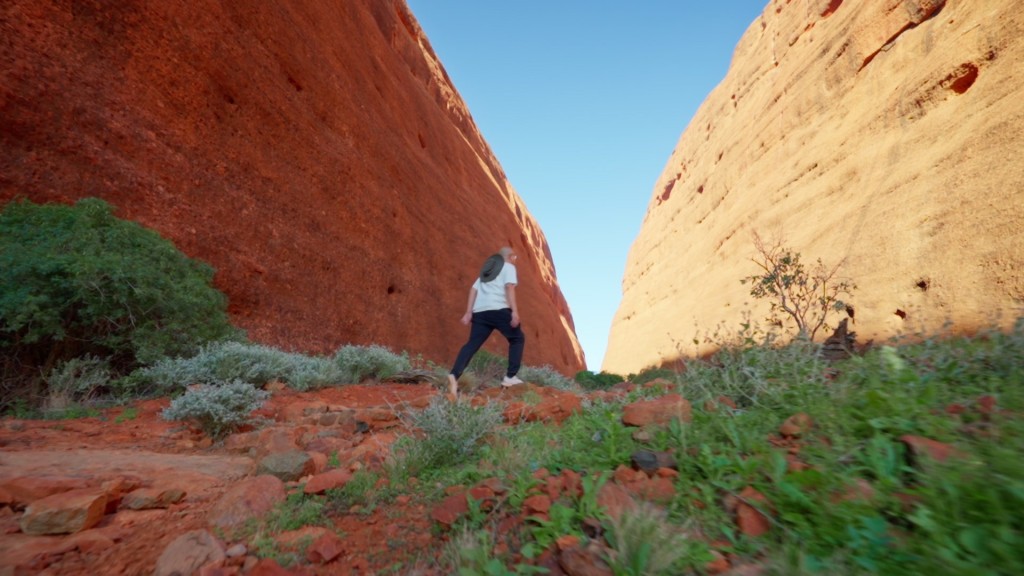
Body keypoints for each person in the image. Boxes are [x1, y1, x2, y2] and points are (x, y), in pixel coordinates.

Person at [447, 247, 525, 397]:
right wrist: (514, 311)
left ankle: (454, 375)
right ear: (509, 257)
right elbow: (509, 287)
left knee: (472, 345)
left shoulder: (488, 271)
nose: (515, 260)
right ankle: (510, 376)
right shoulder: (508, 266)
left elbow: (473, 290)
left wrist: (469, 312)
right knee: (517, 338)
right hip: (499, 309)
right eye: (515, 257)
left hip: (480, 313)